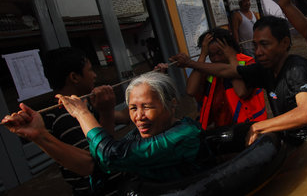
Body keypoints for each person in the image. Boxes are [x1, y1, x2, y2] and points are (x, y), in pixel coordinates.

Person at [3, 72, 206, 186]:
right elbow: (92, 165)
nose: (139, 116)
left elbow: (111, 155)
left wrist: (83, 114)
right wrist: (40, 135)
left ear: (172, 104)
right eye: (133, 108)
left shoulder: (185, 134)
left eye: (148, 106)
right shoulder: (138, 136)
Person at [171, 16, 307, 146]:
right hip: (288, 140)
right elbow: (227, 71)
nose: (258, 52)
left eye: (264, 45)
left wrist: (259, 126)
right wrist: (190, 63)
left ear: (284, 43)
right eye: (255, 45)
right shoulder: (265, 70)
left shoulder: (295, 68)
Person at [2, 47, 125, 196]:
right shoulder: (64, 117)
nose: (95, 75)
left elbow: (124, 117)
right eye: (90, 70)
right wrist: (105, 113)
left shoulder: (88, 105)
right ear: (74, 77)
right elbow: (99, 161)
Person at [185, 28, 267, 129]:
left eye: (220, 53)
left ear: (230, 49)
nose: (216, 59)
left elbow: (242, 93)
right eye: (211, 55)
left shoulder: (247, 63)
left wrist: (232, 58)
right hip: (222, 127)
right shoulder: (210, 70)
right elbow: (190, 90)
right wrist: (202, 55)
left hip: (249, 127)